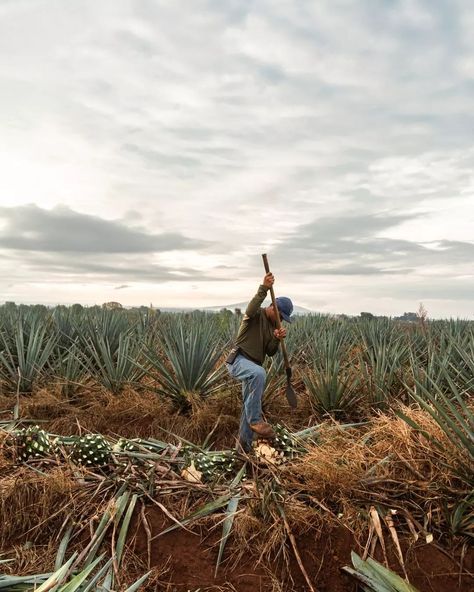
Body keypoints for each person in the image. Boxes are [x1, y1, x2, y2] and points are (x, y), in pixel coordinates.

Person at [225, 272, 293, 452]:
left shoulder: (273, 327)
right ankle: (256, 420)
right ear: (273, 308)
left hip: (252, 366)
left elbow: (270, 352)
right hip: (238, 360)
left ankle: (242, 450)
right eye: (281, 316)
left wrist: (277, 338)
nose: (280, 321)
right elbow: (250, 308)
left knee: (246, 409)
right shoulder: (255, 315)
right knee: (259, 373)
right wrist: (264, 288)